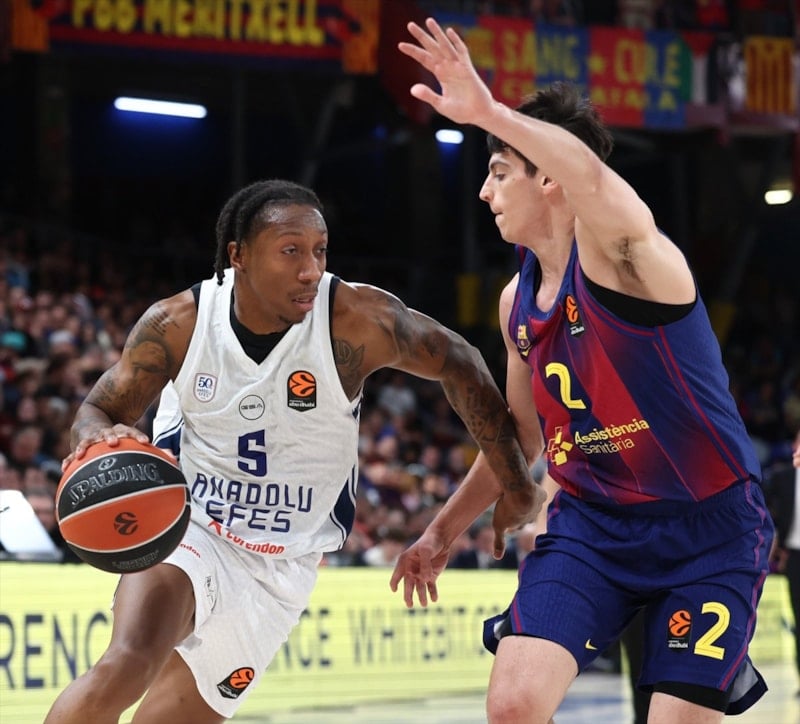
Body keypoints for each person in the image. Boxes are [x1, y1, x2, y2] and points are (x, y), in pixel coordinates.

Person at [44, 179, 545, 723]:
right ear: (238, 255)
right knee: (127, 663)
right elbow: (99, 410)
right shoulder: (179, 324)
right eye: (291, 251)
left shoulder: (355, 318)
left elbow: (462, 362)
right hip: (191, 527)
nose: (311, 269)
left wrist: (517, 485)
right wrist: (94, 438)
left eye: (319, 250)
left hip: (284, 565)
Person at [389, 18, 774, 723]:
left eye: (498, 172)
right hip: (593, 528)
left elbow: (591, 176)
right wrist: (441, 531)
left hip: (707, 528)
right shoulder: (515, 301)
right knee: (512, 705)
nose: (485, 193)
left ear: (548, 178)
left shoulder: (634, 260)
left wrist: (492, 113)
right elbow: (521, 437)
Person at [765, 430, 800, 694]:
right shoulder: (783, 477)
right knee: (798, 618)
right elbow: (760, 506)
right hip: (795, 556)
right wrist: (774, 539)